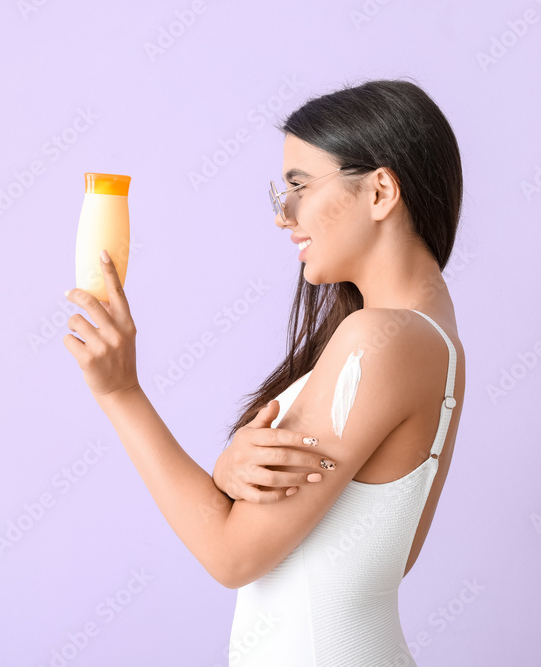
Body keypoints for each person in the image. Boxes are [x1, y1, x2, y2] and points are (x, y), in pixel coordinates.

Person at [63, 77, 465, 666]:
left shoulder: (381, 342)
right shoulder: (424, 336)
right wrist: (228, 476)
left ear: (380, 191)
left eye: (300, 186)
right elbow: (365, 551)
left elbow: (232, 557)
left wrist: (122, 392)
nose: (285, 216)